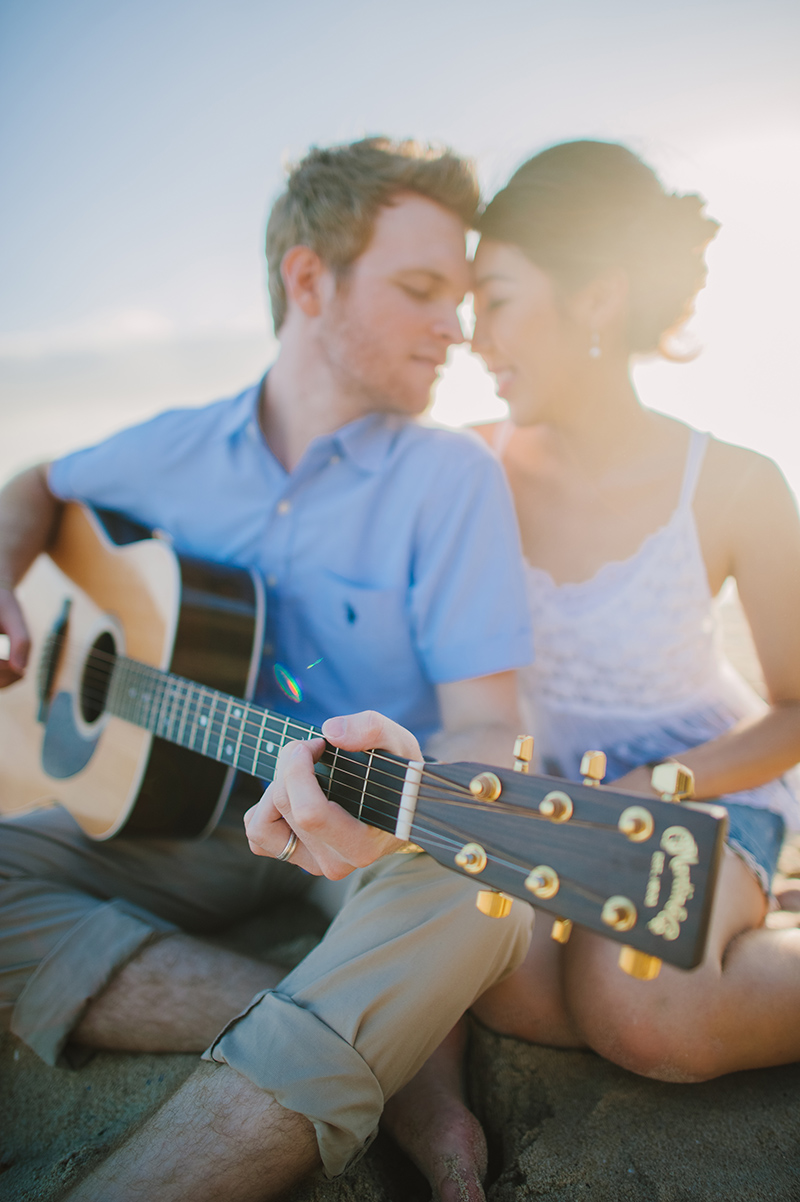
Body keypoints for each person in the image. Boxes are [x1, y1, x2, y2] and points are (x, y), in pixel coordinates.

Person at [0, 137, 536, 1200]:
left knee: (484, 881)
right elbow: (35, 482)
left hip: (370, 840)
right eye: (422, 289)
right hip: (179, 818)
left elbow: (488, 732)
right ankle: (364, 1034)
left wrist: (407, 787)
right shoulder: (175, 445)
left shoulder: (451, 477)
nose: (456, 326)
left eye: (462, 295)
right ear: (307, 278)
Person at [384, 139, 800, 1202]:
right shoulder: (464, 467)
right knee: (513, 991)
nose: (475, 334)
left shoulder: (737, 482)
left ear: (596, 299)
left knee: (648, 1011)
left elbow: (794, 707)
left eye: (500, 298)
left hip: (704, 780)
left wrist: (654, 787)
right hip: (543, 791)